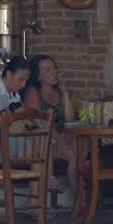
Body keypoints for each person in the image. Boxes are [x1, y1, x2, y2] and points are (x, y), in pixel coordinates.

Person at [23, 55, 77, 196]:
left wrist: (64, 92)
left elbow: (70, 119)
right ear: (39, 76)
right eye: (48, 70)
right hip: (42, 139)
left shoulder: (58, 92)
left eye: (54, 68)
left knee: (76, 153)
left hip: (63, 139)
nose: (54, 72)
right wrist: (58, 137)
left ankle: (79, 200)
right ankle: (51, 180)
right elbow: (38, 121)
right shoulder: (32, 92)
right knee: (67, 151)